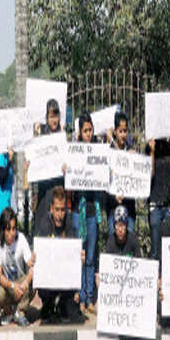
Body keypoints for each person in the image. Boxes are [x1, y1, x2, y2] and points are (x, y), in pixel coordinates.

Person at [34, 186, 84, 323]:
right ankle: (49, 304)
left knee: (71, 314)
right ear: (51, 208)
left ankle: (62, 304)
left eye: (62, 210)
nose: (60, 214)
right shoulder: (44, 224)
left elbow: (73, 254)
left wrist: (80, 257)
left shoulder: (69, 223)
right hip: (49, 278)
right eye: (57, 209)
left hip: (64, 277)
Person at [71, 113, 102, 314]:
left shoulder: (99, 152)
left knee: (90, 256)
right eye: (85, 131)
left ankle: (90, 298)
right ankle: (80, 297)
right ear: (79, 133)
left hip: (92, 211)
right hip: (77, 211)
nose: (88, 134)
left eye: (90, 130)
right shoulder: (73, 152)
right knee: (79, 256)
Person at [0, 207, 36, 327]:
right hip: (8, 285)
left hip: (22, 285)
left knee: (34, 282)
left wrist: (25, 284)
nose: (12, 233)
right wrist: (13, 286)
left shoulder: (21, 238)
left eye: (14, 228)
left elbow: (31, 267)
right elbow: (0, 276)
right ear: (2, 230)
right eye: (8, 229)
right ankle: (8, 312)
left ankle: (20, 312)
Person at [146, 136, 170, 260]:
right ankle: (156, 277)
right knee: (155, 247)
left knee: (168, 246)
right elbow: (149, 173)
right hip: (155, 203)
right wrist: (152, 152)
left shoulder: (169, 147)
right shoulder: (150, 145)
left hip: (168, 205)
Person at [31, 99, 64, 222]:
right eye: (51, 117)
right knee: (43, 221)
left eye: (56, 116)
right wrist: (36, 135)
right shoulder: (41, 134)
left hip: (59, 186)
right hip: (44, 189)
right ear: (47, 117)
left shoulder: (63, 135)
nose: (54, 120)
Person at [106, 111, 136, 234]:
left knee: (129, 241)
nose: (123, 135)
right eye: (120, 131)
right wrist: (114, 195)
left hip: (129, 207)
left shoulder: (132, 152)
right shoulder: (108, 151)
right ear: (115, 132)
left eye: (125, 131)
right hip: (113, 207)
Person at [0, 147, 15, 221]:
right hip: (2, 208)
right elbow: (2, 178)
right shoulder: (1, 156)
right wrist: (10, 161)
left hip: (8, 204)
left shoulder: (7, 155)